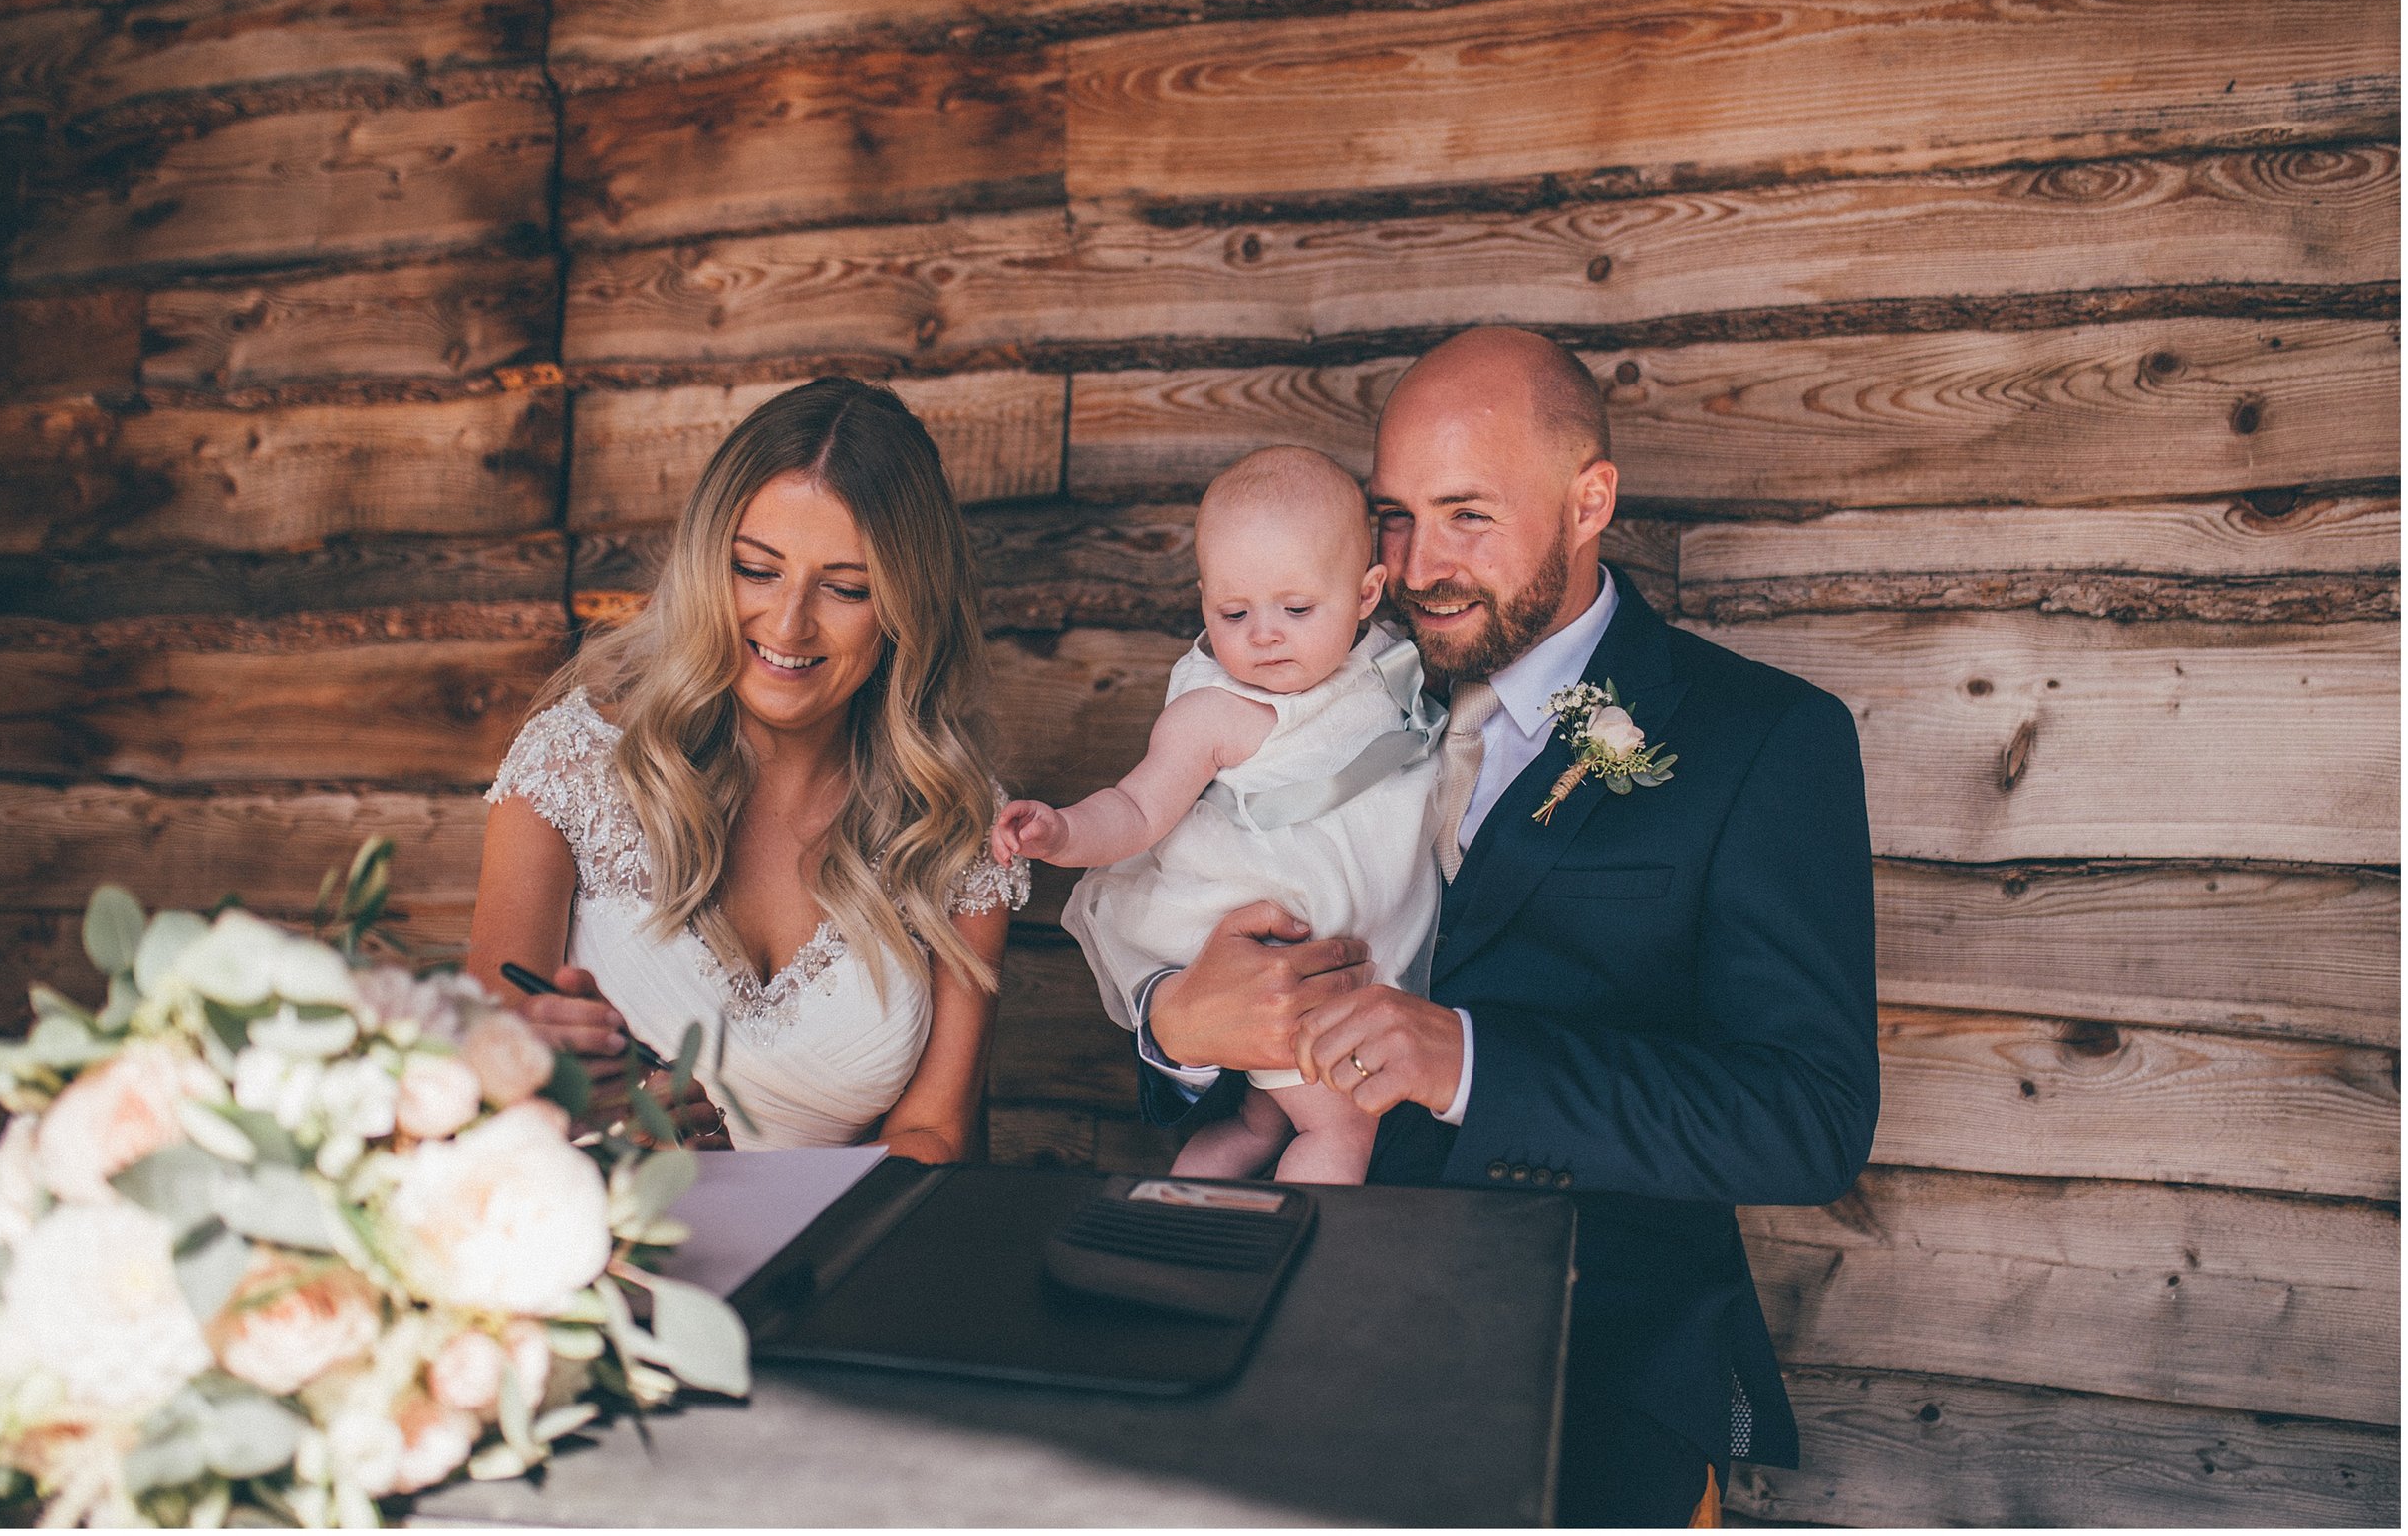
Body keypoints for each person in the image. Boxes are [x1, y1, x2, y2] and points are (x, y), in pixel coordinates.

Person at [1131, 328, 1879, 1526]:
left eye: (1467, 516)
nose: (1422, 565)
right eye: (1393, 516)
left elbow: (1808, 1118)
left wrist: (1469, 1063)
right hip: (1263, 1327)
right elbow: (1195, 926)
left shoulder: (1762, 739)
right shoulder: (1304, 682)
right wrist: (1174, 1025)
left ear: (1590, 502)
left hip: (1587, 1363)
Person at [467, 378, 1028, 1158]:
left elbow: (934, 1129)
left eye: (846, 588)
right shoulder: (569, 769)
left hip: (836, 1265)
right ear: (707, 562)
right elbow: (480, 1078)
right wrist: (565, 1092)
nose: (789, 623)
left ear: (907, 608)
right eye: (757, 570)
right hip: (601, 1246)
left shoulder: (960, 828)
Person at [993, 447, 1443, 1184]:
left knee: (1259, 1118)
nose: (1264, 634)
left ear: (1367, 596)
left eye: (1297, 609)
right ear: (1204, 599)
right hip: (1270, 955)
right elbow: (1138, 806)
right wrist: (1064, 830)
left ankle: (1177, 1206)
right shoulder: (1217, 708)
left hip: (1342, 950)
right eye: (1234, 612)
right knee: (1342, 1123)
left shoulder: (1384, 666)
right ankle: (1296, 1254)